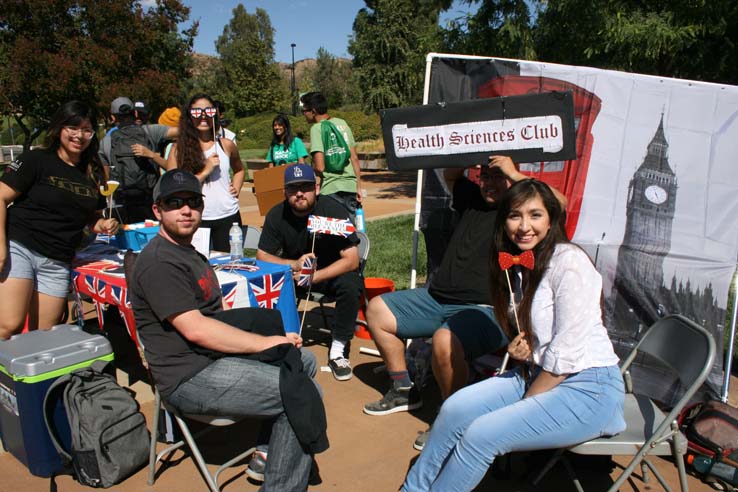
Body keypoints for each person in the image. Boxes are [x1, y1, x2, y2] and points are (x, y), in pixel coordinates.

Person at [401, 179, 626, 492]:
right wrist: (524, 346)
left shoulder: (569, 263)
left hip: (587, 387)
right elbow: (543, 331)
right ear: (503, 220)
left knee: (481, 435)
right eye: (514, 216)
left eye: (535, 215)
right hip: (537, 373)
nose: (524, 226)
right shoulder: (518, 266)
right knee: (454, 409)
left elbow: (568, 351)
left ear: (551, 220)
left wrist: (526, 402)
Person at [129, 169, 322, 492]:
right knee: (303, 394)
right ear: (157, 210)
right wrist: (265, 343)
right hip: (188, 376)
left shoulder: (188, 252)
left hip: (209, 357)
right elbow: (198, 330)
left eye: (193, 201)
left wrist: (278, 342)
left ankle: (267, 451)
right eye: (174, 203)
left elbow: (215, 318)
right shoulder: (160, 262)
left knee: (303, 362)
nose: (186, 209)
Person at [363, 156, 567, 451]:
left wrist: (511, 171)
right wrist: (469, 149)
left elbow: (557, 203)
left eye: (498, 177)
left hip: (485, 310)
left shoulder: (517, 218)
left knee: (444, 340)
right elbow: (452, 172)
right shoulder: (471, 197)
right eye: (485, 175)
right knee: (377, 309)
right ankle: (403, 389)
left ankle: (452, 418)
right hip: (436, 299)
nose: (490, 182)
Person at [0, 101, 119, 339]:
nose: (79, 135)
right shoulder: (36, 159)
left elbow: (89, 219)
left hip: (57, 260)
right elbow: (1, 197)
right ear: (59, 128)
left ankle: (24, 375)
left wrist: (103, 224)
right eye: (73, 127)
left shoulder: (92, 171)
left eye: (86, 129)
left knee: (43, 335)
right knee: (8, 324)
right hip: (20, 247)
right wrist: (1, 246)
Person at [257, 164, 363, 381]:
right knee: (267, 280)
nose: (299, 193)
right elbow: (262, 256)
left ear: (316, 188)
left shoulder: (334, 210)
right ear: (284, 191)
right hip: (295, 275)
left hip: (329, 274)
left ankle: (337, 350)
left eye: (305, 187)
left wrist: (316, 277)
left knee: (352, 283)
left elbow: (352, 260)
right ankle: (277, 341)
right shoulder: (277, 214)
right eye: (293, 188)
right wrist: (293, 265)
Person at [167, 93, 245, 252]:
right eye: (197, 112)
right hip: (194, 217)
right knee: (195, 269)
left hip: (228, 216)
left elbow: (239, 170)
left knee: (228, 267)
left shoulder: (226, 145)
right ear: (189, 116)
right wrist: (206, 171)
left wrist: (236, 188)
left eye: (208, 111)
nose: (203, 116)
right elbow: (171, 187)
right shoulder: (178, 149)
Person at [99, 96, 177, 223]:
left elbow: (106, 179)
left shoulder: (106, 143)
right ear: (135, 113)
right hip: (150, 201)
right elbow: (183, 131)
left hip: (122, 203)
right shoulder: (151, 131)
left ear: (113, 118)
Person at [299, 92, 362, 215]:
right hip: (350, 187)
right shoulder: (343, 124)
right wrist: (358, 186)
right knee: (349, 230)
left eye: (304, 111)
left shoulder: (317, 128)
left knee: (331, 231)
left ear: (313, 111)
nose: (304, 115)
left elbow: (320, 167)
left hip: (330, 189)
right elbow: (354, 158)